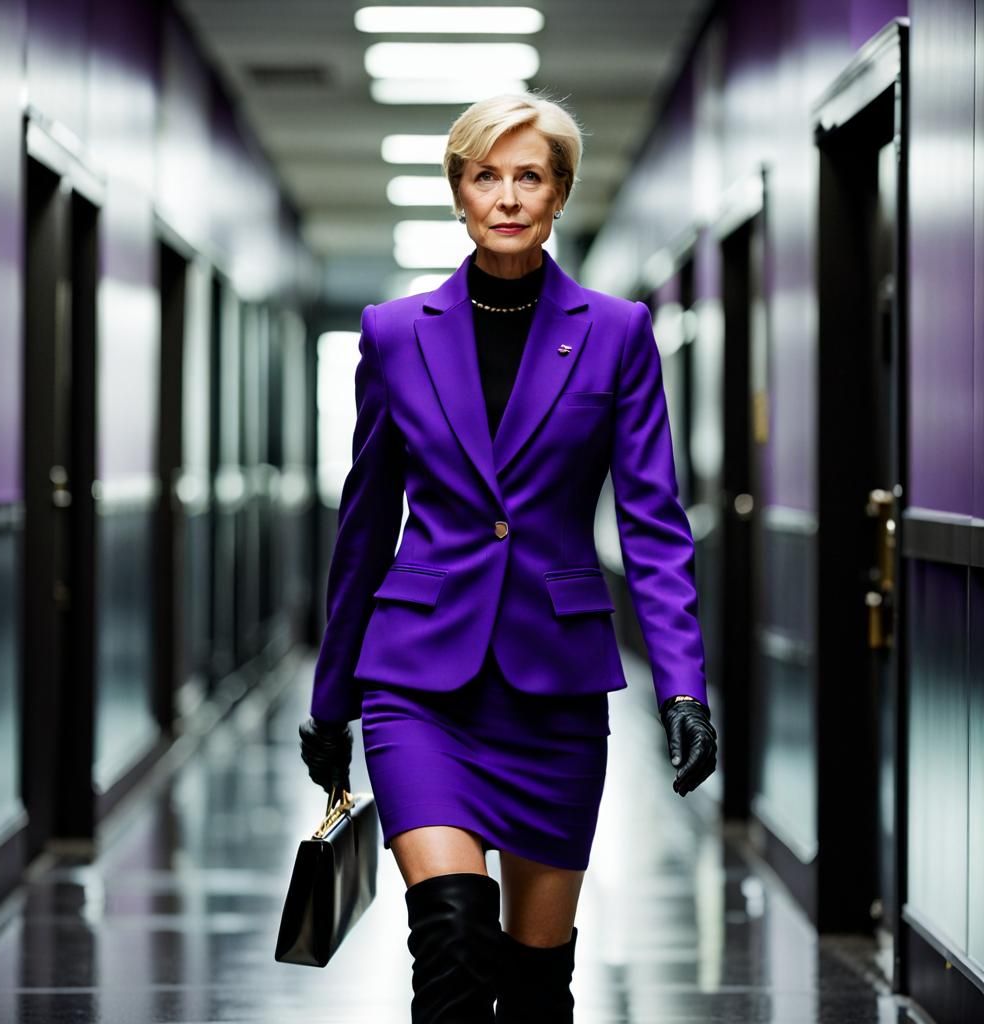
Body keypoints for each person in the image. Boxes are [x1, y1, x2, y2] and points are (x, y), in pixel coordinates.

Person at [299, 91, 717, 1023]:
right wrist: (332, 702)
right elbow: (364, 526)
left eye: (529, 175)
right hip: (417, 682)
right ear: (459, 192)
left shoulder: (617, 333)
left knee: (536, 982)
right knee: (451, 937)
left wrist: (683, 687)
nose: (508, 196)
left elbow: (652, 522)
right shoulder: (395, 334)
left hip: (555, 688)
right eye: (486, 175)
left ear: (561, 192)